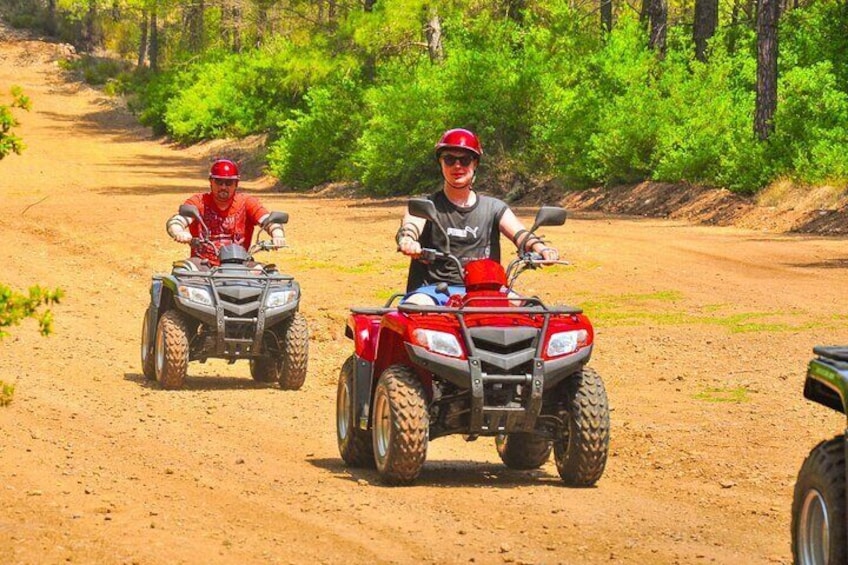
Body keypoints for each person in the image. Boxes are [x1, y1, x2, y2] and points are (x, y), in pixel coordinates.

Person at [396, 128, 559, 305]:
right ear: (441, 163)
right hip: (433, 291)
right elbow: (410, 227)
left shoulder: (494, 207)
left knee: (532, 312)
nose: (457, 166)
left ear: (475, 164)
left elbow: (520, 234)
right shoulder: (427, 205)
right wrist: (408, 241)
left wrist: (541, 249)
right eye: (449, 159)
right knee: (417, 307)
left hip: (488, 289)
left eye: (465, 160)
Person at [165, 158, 286, 268]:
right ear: (211, 182)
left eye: (228, 183)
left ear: (236, 184)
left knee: (268, 275)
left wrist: (278, 235)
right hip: (203, 263)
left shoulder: (247, 202)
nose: (223, 187)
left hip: (241, 263)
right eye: (218, 181)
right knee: (183, 273)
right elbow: (177, 221)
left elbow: (267, 220)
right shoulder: (198, 202)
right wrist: (179, 232)